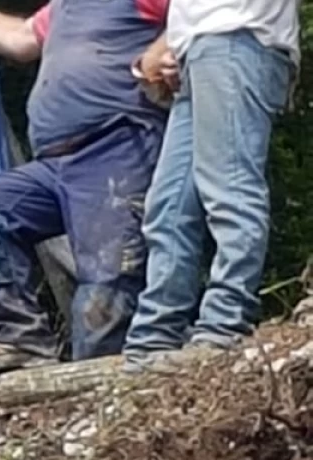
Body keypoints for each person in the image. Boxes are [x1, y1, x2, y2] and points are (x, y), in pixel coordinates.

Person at [0, 0, 170, 375]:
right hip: (53, 164)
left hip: (117, 146)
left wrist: (161, 49)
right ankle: (21, 340)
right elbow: (21, 38)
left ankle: (102, 389)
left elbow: (194, 13)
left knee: (106, 286)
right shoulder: (66, 7)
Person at [124, 0, 299, 369]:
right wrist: (174, 45)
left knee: (230, 192)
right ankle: (153, 339)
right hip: (204, 49)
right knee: (167, 207)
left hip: (238, 41)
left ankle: (223, 327)